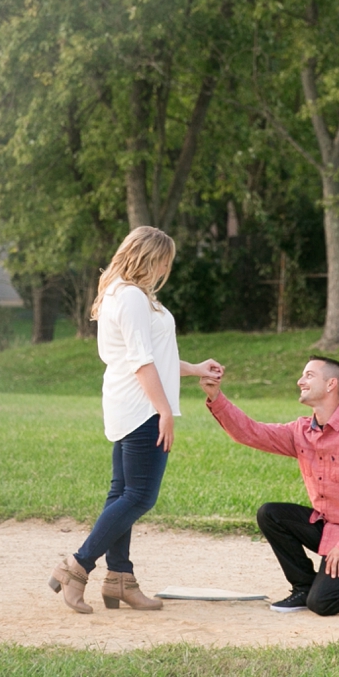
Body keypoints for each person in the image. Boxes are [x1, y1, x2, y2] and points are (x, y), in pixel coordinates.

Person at [49, 226, 224, 615]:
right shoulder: (129, 297)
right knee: (139, 496)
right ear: (150, 257)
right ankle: (76, 567)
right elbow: (142, 363)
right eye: (165, 260)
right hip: (141, 407)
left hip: (131, 403)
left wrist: (195, 369)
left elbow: (153, 356)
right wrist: (164, 410)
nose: (167, 267)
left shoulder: (128, 295)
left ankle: (120, 580)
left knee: (122, 494)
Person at [199, 357, 339, 616]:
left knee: (323, 603)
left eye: (309, 375)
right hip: (329, 528)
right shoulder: (300, 431)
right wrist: (216, 396)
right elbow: (251, 432)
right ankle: (303, 586)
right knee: (271, 514)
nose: (300, 381)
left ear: (331, 384)